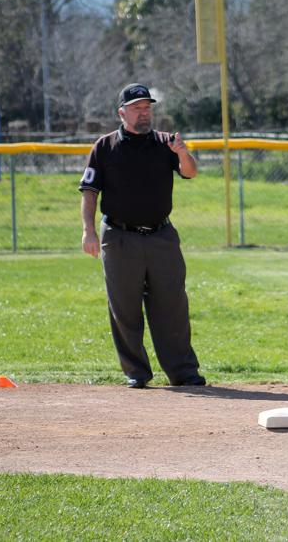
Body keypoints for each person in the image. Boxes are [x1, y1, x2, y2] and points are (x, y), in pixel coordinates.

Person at [79, 83, 205, 389]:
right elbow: (89, 191)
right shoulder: (105, 146)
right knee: (125, 308)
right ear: (122, 113)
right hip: (120, 237)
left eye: (147, 107)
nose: (143, 113)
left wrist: (183, 153)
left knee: (173, 306)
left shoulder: (166, 142)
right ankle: (136, 372)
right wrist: (88, 230)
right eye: (136, 108)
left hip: (161, 235)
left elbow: (190, 173)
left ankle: (182, 372)